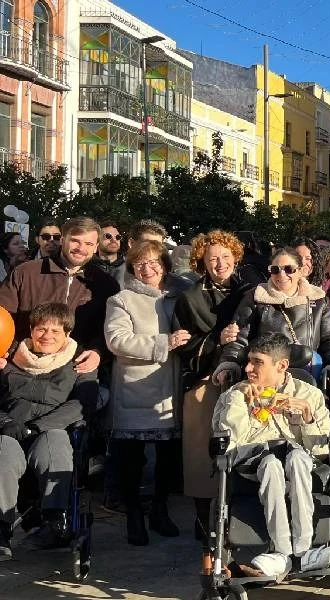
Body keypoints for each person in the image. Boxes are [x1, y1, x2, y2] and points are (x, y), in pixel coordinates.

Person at [212, 333, 330, 579]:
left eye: (257, 362)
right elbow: (230, 445)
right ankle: (282, 552)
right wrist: (246, 405)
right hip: (255, 464)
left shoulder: (309, 394)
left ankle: (305, 551)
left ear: (281, 365)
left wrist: (307, 418)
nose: (248, 368)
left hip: (299, 464)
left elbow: (323, 451)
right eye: (248, 361)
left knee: (298, 458)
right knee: (271, 464)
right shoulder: (235, 394)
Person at [105, 240, 190, 546]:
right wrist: (162, 343)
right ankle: (133, 515)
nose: (148, 268)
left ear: (165, 265)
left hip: (170, 391)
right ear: (132, 268)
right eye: (140, 264)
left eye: (154, 262)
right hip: (135, 388)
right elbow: (116, 340)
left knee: (168, 458)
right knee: (131, 459)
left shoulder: (177, 297)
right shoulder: (121, 300)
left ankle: (159, 509)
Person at [172, 230, 255, 540]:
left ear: (235, 257)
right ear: (201, 263)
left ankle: (239, 518)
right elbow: (183, 344)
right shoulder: (190, 297)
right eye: (212, 259)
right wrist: (215, 341)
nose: (220, 264)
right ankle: (204, 520)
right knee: (201, 452)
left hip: (245, 379)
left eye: (225, 257)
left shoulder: (251, 291)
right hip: (205, 378)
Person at [0, 303, 98, 559]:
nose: (48, 336)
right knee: (3, 451)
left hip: (51, 430)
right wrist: (6, 422)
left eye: (56, 330)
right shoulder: (8, 360)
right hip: (12, 429)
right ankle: (2, 528)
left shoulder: (80, 362)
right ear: (31, 330)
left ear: (67, 334)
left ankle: (56, 520)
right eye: (41, 329)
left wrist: (39, 427)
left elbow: (82, 404)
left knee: (54, 441)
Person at [213, 248, 330, 390]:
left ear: (301, 271)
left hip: (305, 377)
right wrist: (229, 365)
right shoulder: (256, 297)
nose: (282, 275)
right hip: (263, 377)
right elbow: (239, 337)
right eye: (275, 270)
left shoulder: (318, 300)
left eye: (289, 269)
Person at [0, 217, 120, 374]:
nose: (81, 248)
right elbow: (4, 315)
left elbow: (108, 327)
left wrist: (98, 352)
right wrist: (9, 351)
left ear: (96, 247)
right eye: (75, 241)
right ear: (63, 239)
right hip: (23, 366)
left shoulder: (105, 284)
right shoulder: (26, 272)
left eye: (89, 244)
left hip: (75, 370)